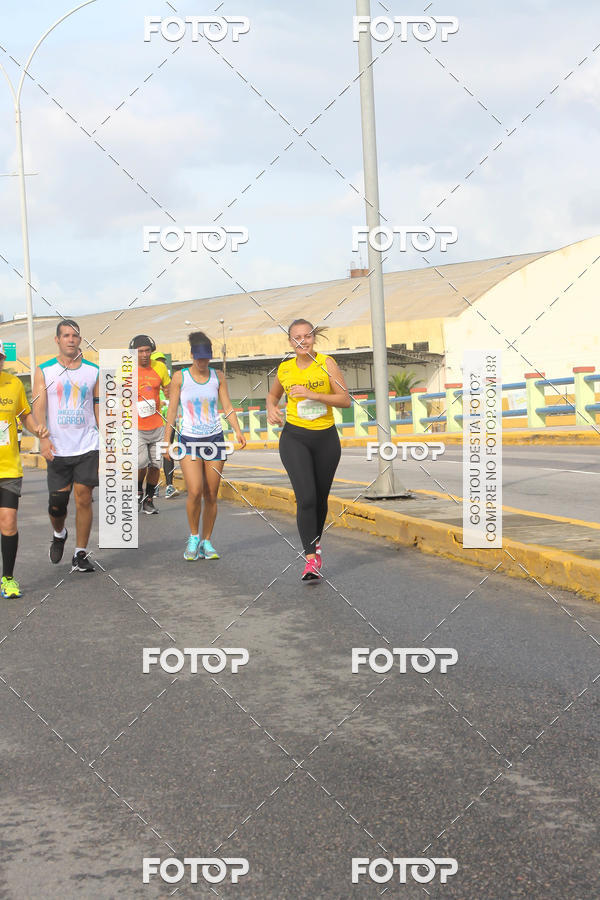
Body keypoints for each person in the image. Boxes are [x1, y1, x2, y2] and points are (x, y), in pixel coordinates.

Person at [266, 319, 350, 581]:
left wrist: (314, 395)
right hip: (295, 438)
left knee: (320, 499)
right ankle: (310, 559)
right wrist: (271, 407)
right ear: (290, 342)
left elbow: (344, 400)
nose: (302, 341)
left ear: (314, 338)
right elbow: (272, 395)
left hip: (325, 439)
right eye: (297, 338)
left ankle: (315, 544)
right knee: (306, 499)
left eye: (307, 336)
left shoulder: (327, 363)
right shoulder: (285, 368)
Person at [163, 331, 246, 560]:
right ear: (191, 355)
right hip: (189, 440)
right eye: (199, 358)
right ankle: (193, 536)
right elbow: (172, 411)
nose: (202, 362)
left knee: (211, 494)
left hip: (214, 439)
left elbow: (227, 405)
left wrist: (237, 430)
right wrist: (166, 441)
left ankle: (207, 542)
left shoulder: (217, 375)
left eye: (206, 358)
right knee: (195, 491)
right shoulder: (180, 377)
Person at [33, 320, 100, 573]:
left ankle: (80, 553)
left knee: (84, 498)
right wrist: (42, 437)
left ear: (80, 340)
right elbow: (38, 407)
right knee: (57, 503)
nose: (71, 339)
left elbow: (97, 404)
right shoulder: (45, 370)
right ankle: (59, 533)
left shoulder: (93, 370)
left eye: (75, 336)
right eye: (66, 336)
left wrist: (105, 437)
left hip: (87, 445)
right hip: (58, 448)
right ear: (57, 340)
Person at [0, 343, 49, 597]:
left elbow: (24, 415)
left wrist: (37, 428)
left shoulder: (13, 384)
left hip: (8, 467)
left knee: (8, 523)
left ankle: (8, 578)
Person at [130, 336, 170, 515]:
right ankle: (138, 490)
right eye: (140, 351)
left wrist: (170, 398)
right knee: (141, 463)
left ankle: (149, 499)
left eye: (147, 350)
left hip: (157, 424)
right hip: (135, 425)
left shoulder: (160, 367)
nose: (144, 354)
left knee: (155, 465)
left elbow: (168, 390)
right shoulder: (125, 370)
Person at [151, 349, 178, 499]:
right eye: (159, 362)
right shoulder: (150, 383)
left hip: (168, 423)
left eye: (163, 362)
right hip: (153, 424)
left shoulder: (170, 384)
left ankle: (169, 486)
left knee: (168, 454)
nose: (162, 365)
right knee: (154, 456)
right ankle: (153, 486)